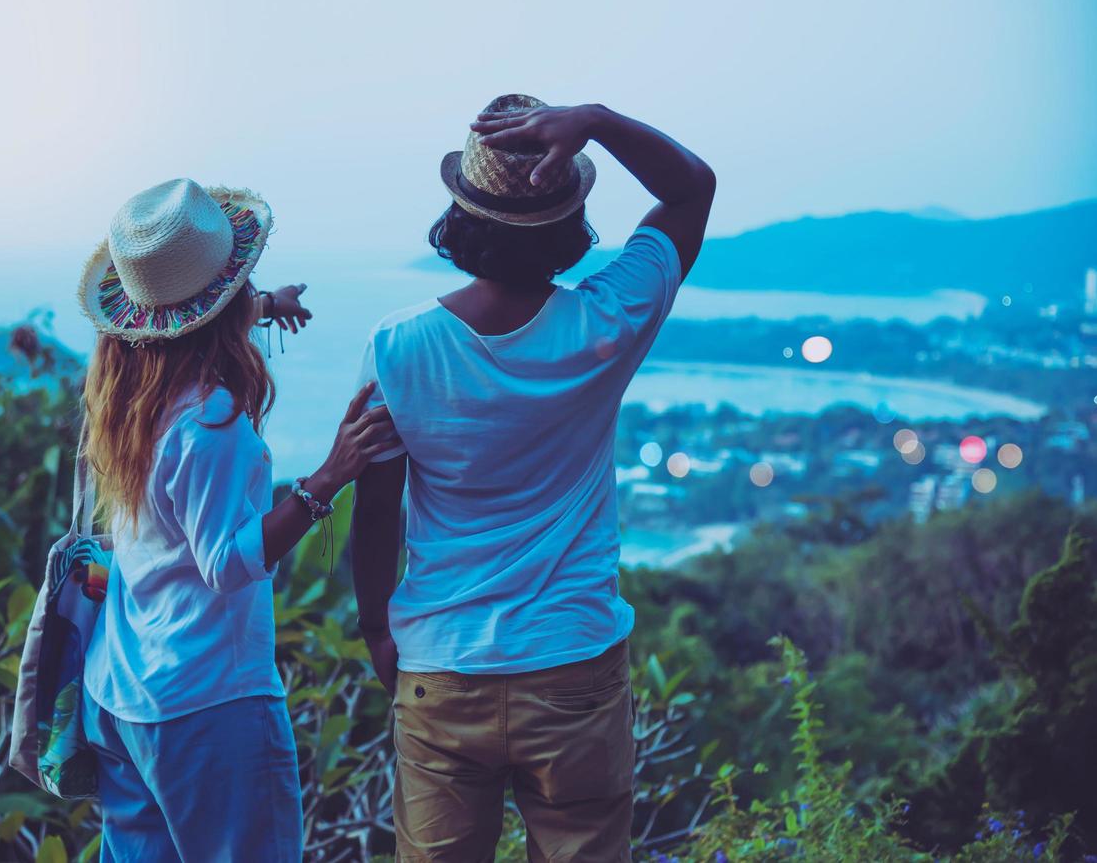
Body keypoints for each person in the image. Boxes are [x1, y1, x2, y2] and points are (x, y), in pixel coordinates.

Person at [349, 95, 716, 862]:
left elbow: (376, 511)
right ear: (568, 226)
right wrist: (600, 121)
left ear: (462, 217)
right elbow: (691, 190)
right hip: (572, 663)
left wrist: (379, 629)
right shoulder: (606, 324)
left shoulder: (398, 347)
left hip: (443, 666)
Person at [74, 178, 400, 863]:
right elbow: (225, 566)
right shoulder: (211, 423)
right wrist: (326, 481)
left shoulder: (131, 390)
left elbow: (187, 327)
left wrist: (262, 307)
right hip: (207, 704)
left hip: (124, 692)